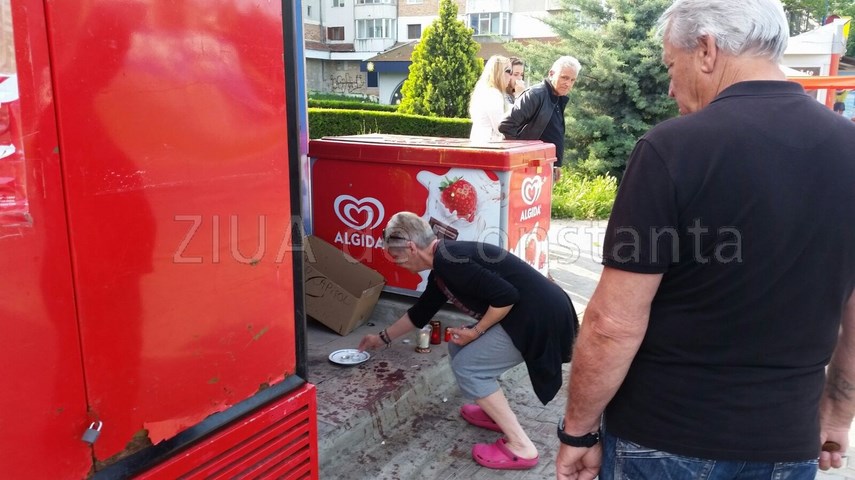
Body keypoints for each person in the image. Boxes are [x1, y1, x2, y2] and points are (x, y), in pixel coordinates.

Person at [555, 0, 855, 479]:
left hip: (663, 439)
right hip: (786, 442)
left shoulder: (670, 149)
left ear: (707, 49)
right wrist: (839, 412)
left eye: (671, 66)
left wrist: (578, 431)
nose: (671, 88)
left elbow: (612, 323)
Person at [358, 212, 578, 471]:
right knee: (458, 346)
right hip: (533, 312)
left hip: (540, 319)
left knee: (469, 366)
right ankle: (493, 412)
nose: (397, 263)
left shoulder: (449, 261)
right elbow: (420, 313)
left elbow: (506, 297)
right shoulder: (442, 265)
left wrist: (476, 331)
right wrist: (380, 338)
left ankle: (522, 446)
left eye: (396, 257)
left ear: (411, 248)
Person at [499, 56, 581, 182]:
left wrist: (557, 164)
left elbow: (554, 133)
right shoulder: (535, 95)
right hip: (530, 169)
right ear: (551, 74)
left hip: (545, 167)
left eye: (572, 80)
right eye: (564, 77)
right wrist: (524, 156)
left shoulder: (558, 97)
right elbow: (506, 125)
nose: (568, 83)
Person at [468, 55, 512, 142]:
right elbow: (500, 127)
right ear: (499, 72)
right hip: (488, 143)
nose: (510, 77)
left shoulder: (484, 91)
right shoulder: (493, 94)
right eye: (509, 71)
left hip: (479, 141)